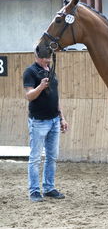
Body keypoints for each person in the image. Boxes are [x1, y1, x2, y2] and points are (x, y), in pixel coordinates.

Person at [23, 48, 69, 202]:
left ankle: (49, 188)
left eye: (48, 58)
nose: (47, 61)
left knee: (52, 157)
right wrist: (40, 87)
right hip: (38, 121)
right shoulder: (30, 72)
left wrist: (62, 117)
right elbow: (29, 96)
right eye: (44, 58)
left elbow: (56, 96)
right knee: (35, 158)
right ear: (36, 56)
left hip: (54, 120)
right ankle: (34, 191)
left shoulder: (51, 70)